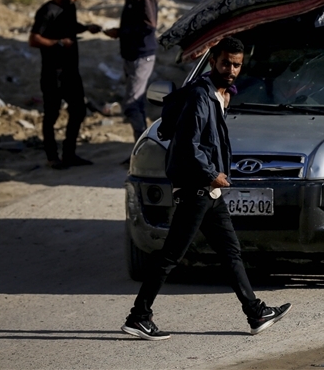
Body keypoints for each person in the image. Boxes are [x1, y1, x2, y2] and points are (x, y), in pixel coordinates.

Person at [122, 37, 291, 341]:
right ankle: (139, 316)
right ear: (213, 61)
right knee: (171, 256)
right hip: (198, 190)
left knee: (230, 253)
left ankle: (255, 312)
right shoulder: (202, 96)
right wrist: (212, 174)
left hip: (210, 194)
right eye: (225, 63)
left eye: (237, 65)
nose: (231, 69)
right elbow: (188, 145)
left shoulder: (221, 95)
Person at [28, 0, 102, 169]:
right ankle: (52, 157)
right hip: (53, 73)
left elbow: (69, 26)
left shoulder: (70, 8)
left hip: (71, 71)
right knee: (51, 114)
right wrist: (57, 43)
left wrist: (86, 28)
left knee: (78, 111)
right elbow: (34, 39)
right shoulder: (47, 11)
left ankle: (70, 154)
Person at [103, 0, 159, 143]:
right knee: (137, 103)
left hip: (141, 55)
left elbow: (149, 25)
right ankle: (141, 146)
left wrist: (121, 32)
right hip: (133, 54)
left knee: (132, 105)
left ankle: (143, 147)